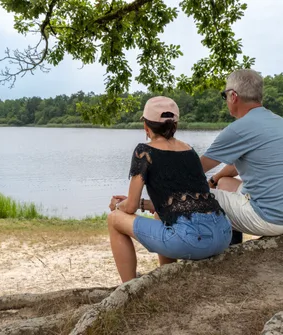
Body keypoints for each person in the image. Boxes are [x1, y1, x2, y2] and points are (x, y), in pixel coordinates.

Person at [108, 96, 232, 283]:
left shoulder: (144, 152)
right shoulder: (189, 150)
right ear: (175, 125)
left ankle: (128, 287)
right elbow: (181, 201)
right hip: (223, 234)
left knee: (114, 219)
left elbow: (130, 207)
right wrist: (142, 203)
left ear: (146, 127)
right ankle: (168, 277)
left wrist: (118, 205)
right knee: (161, 214)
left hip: (191, 240)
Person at [201, 69, 283, 243]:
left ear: (233, 96)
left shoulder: (239, 129)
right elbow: (233, 166)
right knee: (224, 183)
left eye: (225, 96)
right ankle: (233, 246)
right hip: (278, 208)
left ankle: (220, 251)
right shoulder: (277, 121)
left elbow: (194, 170)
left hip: (271, 218)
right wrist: (215, 179)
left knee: (198, 197)